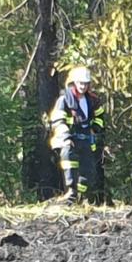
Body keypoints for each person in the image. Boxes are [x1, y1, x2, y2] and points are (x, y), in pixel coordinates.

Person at [49, 66, 106, 204]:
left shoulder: (92, 100)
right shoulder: (64, 100)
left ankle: (83, 198)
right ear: (74, 82)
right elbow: (58, 121)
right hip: (70, 139)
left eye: (86, 83)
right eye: (81, 83)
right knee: (70, 164)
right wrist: (66, 138)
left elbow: (100, 116)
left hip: (86, 139)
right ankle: (71, 193)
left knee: (88, 170)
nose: (83, 86)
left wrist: (95, 128)